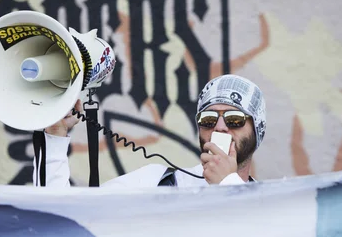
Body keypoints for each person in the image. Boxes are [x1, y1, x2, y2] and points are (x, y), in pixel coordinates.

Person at [33, 74, 267, 188]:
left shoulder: (273, 207)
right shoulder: (158, 182)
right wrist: (55, 136)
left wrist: (227, 184)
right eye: (208, 119)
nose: (220, 127)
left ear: (257, 131)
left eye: (235, 119)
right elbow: (65, 219)